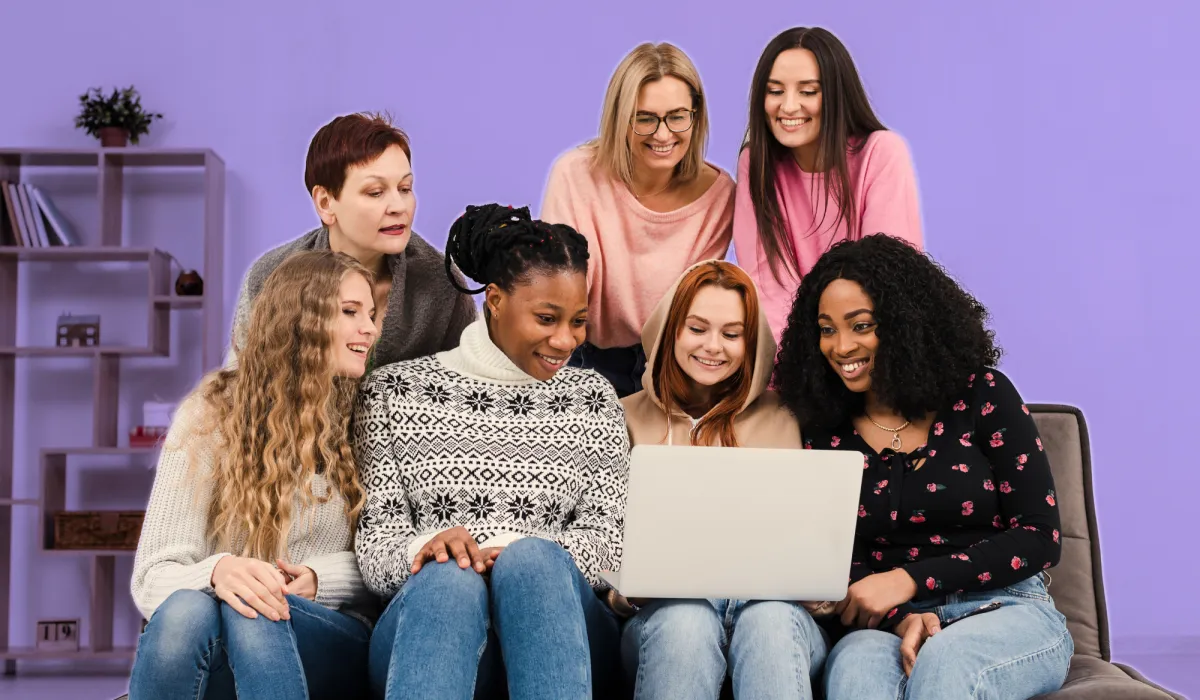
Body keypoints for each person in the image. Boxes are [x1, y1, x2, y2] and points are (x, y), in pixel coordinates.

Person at [772, 234, 1072, 699]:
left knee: (948, 662)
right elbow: (833, 558)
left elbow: (1039, 535)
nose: (841, 346)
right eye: (827, 329)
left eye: (861, 325)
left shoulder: (983, 394)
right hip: (885, 624)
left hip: (1006, 607)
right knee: (854, 676)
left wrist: (908, 579)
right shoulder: (822, 428)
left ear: (905, 323)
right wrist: (900, 615)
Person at [353, 203, 630, 700]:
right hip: (431, 628)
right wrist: (430, 549)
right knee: (448, 576)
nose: (565, 340)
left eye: (578, 321)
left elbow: (610, 542)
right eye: (546, 318)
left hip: (562, 630)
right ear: (496, 301)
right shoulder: (394, 393)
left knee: (532, 564)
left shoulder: (591, 398)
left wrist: (516, 552)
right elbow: (376, 549)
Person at [128, 251, 381, 700]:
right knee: (187, 611)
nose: (371, 329)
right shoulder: (210, 416)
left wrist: (319, 577)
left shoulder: (368, 414)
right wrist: (219, 571)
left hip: (331, 634)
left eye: (371, 314)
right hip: (225, 627)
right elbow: (152, 576)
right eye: (350, 312)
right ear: (301, 320)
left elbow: (385, 555)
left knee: (256, 605)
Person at [616, 259, 827, 699]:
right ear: (670, 330)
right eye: (697, 329)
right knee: (685, 621)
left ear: (751, 343)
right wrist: (628, 592)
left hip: (773, 612)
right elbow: (603, 545)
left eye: (732, 334)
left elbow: (814, 541)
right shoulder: (622, 416)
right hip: (665, 617)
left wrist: (819, 592)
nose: (713, 347)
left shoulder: (786, 416)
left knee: (769, 622)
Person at [540, 42, 736, 398]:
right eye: (645, 118)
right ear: (621, 118)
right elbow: (561, 287)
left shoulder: (719, 195)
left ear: (696, 116)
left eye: (677, 116)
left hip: (668, 361)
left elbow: (691, 306)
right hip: (579, 355)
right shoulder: (574, 173)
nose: (663, 134)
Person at [228, 111, 477, 370]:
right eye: (375, 192)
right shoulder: (270, 275)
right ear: (325, 203)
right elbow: (241, 383)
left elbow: (470, 381)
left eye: (405, 189)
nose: (399, 207)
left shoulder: (442, 283)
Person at [733, 27, 923, 347]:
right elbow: (767, 290)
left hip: (873, 345)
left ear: (836, 94)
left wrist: (843, 347)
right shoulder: (757, 164)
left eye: (808, 91)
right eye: (775, 91)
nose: (788, 106)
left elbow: (888, 280)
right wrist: (801, 363)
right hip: (794, 354)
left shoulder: (881, 153)